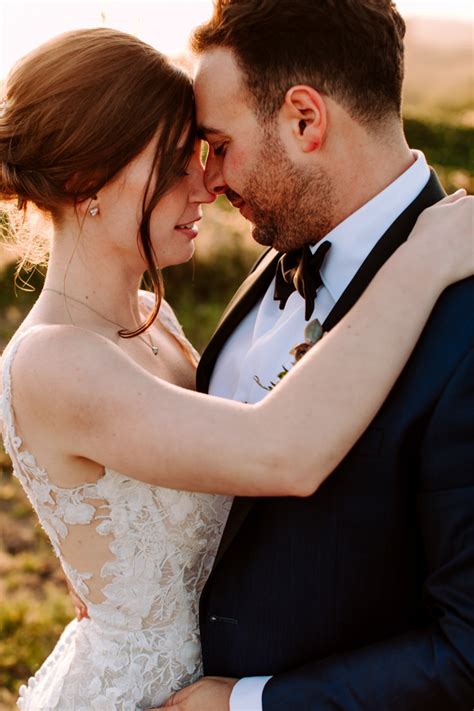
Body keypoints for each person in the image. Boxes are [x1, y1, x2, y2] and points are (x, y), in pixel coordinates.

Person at [0, 25, 471, 711]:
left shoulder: (152, 316)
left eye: (207, 149)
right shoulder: (53, 360)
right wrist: (426, 258)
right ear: (83, 183)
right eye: (176, 161)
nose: (206, 183)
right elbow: (278, 449)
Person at [152, 1, 474, 709]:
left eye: (219, 143)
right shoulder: (281, 246)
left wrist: (249, 703)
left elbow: (468, 652)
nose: (207, 180)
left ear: (305, 119)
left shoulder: (467, 321)